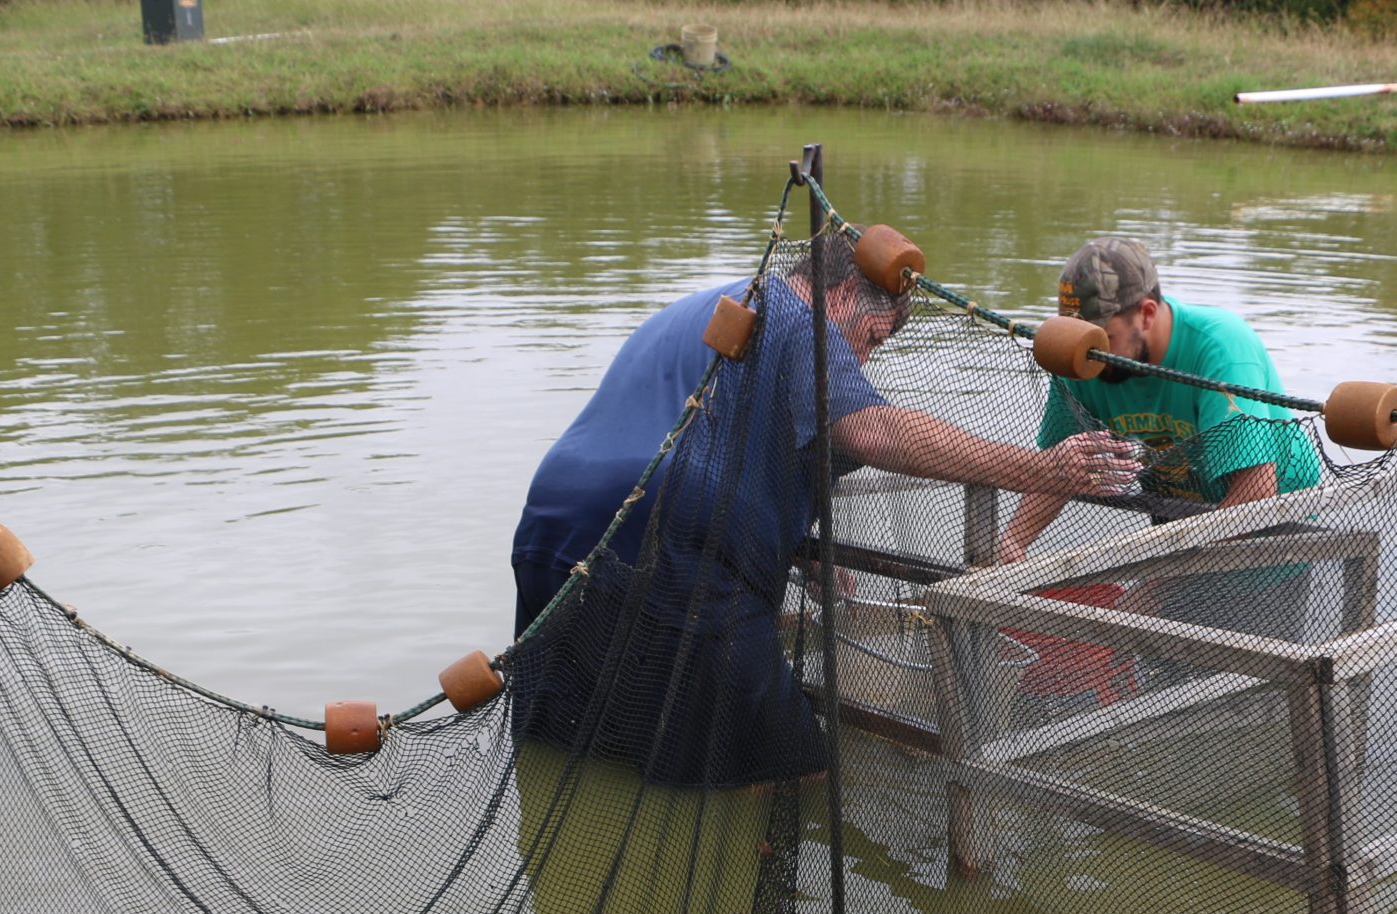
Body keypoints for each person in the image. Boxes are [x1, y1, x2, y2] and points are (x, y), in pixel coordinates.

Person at [507, 242, 1139, 788]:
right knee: (795, 766)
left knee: (582, 744)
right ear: (840, 295)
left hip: (553, 531)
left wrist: (798, 552)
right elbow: (876, 429)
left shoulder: (712, 304)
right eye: (871, 339)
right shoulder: (799, 316)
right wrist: (1043, 470)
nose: (862, 362)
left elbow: (725, 438)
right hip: (671, 548)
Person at [998, 237, 1323, 650]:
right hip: (1179, 526)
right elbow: (1063, 468)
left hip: (1266, 547)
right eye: (1079, 337)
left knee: (1244, 692)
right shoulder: (1082, 357)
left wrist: (1154, 586)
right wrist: (1014, 541)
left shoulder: (1220, 349)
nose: (1090, 355)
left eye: (1104, 338)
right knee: (1163, 677)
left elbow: (1256, 493)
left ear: (1147, 314)